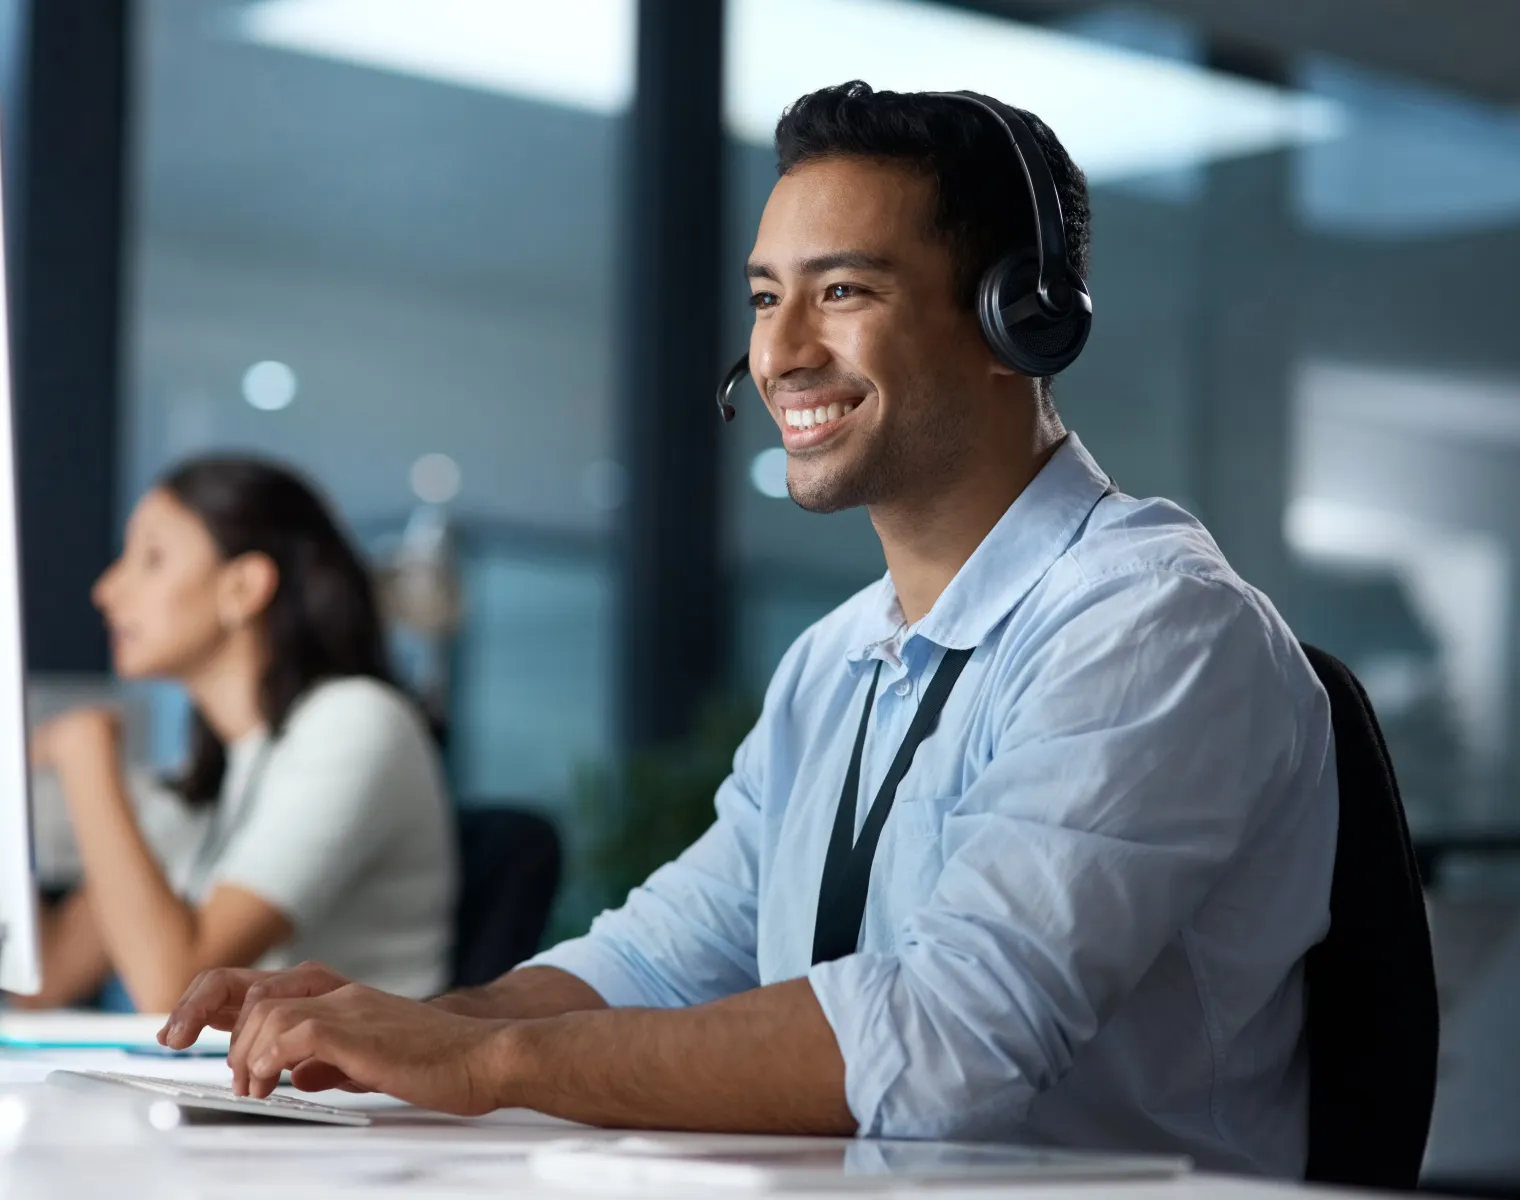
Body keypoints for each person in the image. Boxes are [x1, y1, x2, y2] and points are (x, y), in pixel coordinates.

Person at [161, 83, 1336, 1177]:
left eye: (842, 291)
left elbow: (943, 1043)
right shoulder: (838, 662)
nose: (778, 354)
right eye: (767, 297)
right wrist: (405, 1027)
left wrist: (482, 1066)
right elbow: (657, 959)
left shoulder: (1152, 626)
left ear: (1012, 319)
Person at [25, 457, 456, 1012]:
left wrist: (85, 756)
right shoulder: (219, 770)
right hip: (240, 1089)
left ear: (243, 586)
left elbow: (172, 987)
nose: (107, 591)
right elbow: (50, 977)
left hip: (330, 1093)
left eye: (151, 559)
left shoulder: (357, 723)